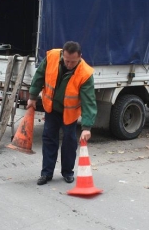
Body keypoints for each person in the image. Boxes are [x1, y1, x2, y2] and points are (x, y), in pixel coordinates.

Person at [26, 41, 97, 185]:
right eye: (66, 61)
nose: (69, 64)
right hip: (52, 108)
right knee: (49, 139)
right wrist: (32, 97)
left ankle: (67, 172)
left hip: (69, 113)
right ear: (62, 55)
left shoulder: (85, 73)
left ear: (80, 57)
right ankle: (46, 173)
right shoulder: (52, 57)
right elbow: (39, 76)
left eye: (73, 62)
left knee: (69, 142)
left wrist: (87, 127)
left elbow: (88, 101)